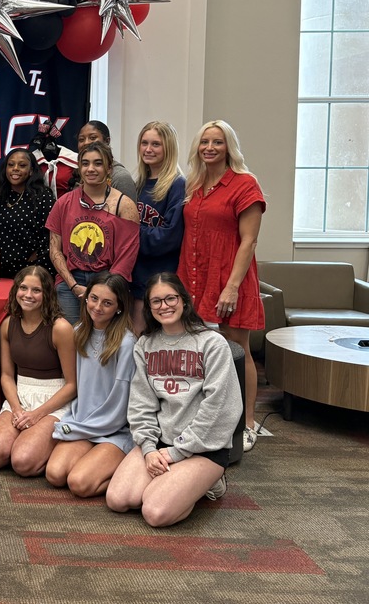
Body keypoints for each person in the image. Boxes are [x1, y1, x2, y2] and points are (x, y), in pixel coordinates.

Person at [106, 273, 243, 526]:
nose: (164, 306)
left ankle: (209, 481)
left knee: (155, 512)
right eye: (156, 301)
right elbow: (141, 403)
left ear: (184, 300)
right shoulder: (145, 345)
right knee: (118, 499)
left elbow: (219, 408)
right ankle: (176, 483)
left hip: (203, 448)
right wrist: (148, 448)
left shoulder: (212, 343)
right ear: (148, 308)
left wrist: (177, 453)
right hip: (159, 442)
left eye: (170, 298)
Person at [178, 120, 265, 451]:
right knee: (200, 350)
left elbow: (249, 241)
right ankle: (211, 417)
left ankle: (248, 423)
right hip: (195, 276)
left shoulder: (245, 185)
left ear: (229, 146)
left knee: (237, 349)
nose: (210, 148)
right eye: (204, 142)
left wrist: (231, 287)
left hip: (230, 277)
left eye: (217, 142)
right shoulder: (194, 185)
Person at [46, 272, 136, 498]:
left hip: (114, 428)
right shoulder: (77, 333)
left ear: (119, 307)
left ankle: (126, 472)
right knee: (55, 474)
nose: (98, 307)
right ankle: (95, 460)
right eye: (94, 298)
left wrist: (95, 427)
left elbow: (120, 404)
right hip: (83, 421)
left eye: (107, 303)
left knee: (79, 483)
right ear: (85, 298)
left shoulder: (126, 344)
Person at [0, 266, 76, 477]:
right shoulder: (7, 325)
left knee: (23, 462)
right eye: (23, 288)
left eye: (36, 290)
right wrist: (16, 409)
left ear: (47, 294)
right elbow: (6, 375)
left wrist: (36, 415)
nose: (28, 295)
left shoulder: (61, 328)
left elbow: (72, 385)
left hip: (53, 401)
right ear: (16, 290)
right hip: (20, 397)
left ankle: (58, 445)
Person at [46, 141, 140, 322]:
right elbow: (55, 250)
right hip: (70, 281)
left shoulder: (124, 205)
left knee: (105, 341)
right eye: (85, 163)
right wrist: (73, 286)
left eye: (98, 163)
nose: (91, 169)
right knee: (69, 339)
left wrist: (103, 291)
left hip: (108, 281)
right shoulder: (63, 203)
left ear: (109, 168)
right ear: (79, 167)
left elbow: (127, 256)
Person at [131, 121, 186, 332]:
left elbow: (170, 235)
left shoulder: (177, 185)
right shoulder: (139, 184)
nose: (148, 149)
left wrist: (132, 232)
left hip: (161, 278)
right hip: (137, 276)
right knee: (137, 339)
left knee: (160, 341)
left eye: (156, 144)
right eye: (144, 143)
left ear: (168, 148)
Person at [0, 148, 56, 279]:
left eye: (22, 165)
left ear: (31, 170)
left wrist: (36, 260)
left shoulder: (43, 196)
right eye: (11, 165)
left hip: (32, 272)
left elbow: (51, 235)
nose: (15, 168)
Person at [77, 120, 137, 202]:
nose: (86, 143)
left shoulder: (121, 177)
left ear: (107, 141)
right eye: (81, 139)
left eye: (92, 138)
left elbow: (130, 211)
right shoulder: (78, 172)